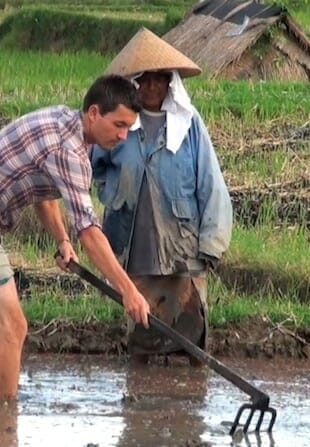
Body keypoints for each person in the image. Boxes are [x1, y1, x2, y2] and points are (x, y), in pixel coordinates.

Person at [0, 75, 151, 402]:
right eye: (118, 125)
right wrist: (128, 290)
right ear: (94, 113)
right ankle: (5, 417)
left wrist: (62, 240)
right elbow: (90, 233)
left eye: (128, 128)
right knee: (13, 325)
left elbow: (44, 193)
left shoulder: (64, 121)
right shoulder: (69, 151)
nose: (123, 136)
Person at [91, 28, 232, 365]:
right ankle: (143, 391)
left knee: (191, 336)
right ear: (133, 83)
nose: (152, 86)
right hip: (133, 243)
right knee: (142, 333)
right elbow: (92, 166)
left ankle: (187, 392)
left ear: (171, 83)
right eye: (145, 79)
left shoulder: (189, 124)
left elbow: (210, 183)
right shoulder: (120, 125)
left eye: (159, 79)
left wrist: (212, 244)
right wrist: (113, 192)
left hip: (182, 246)